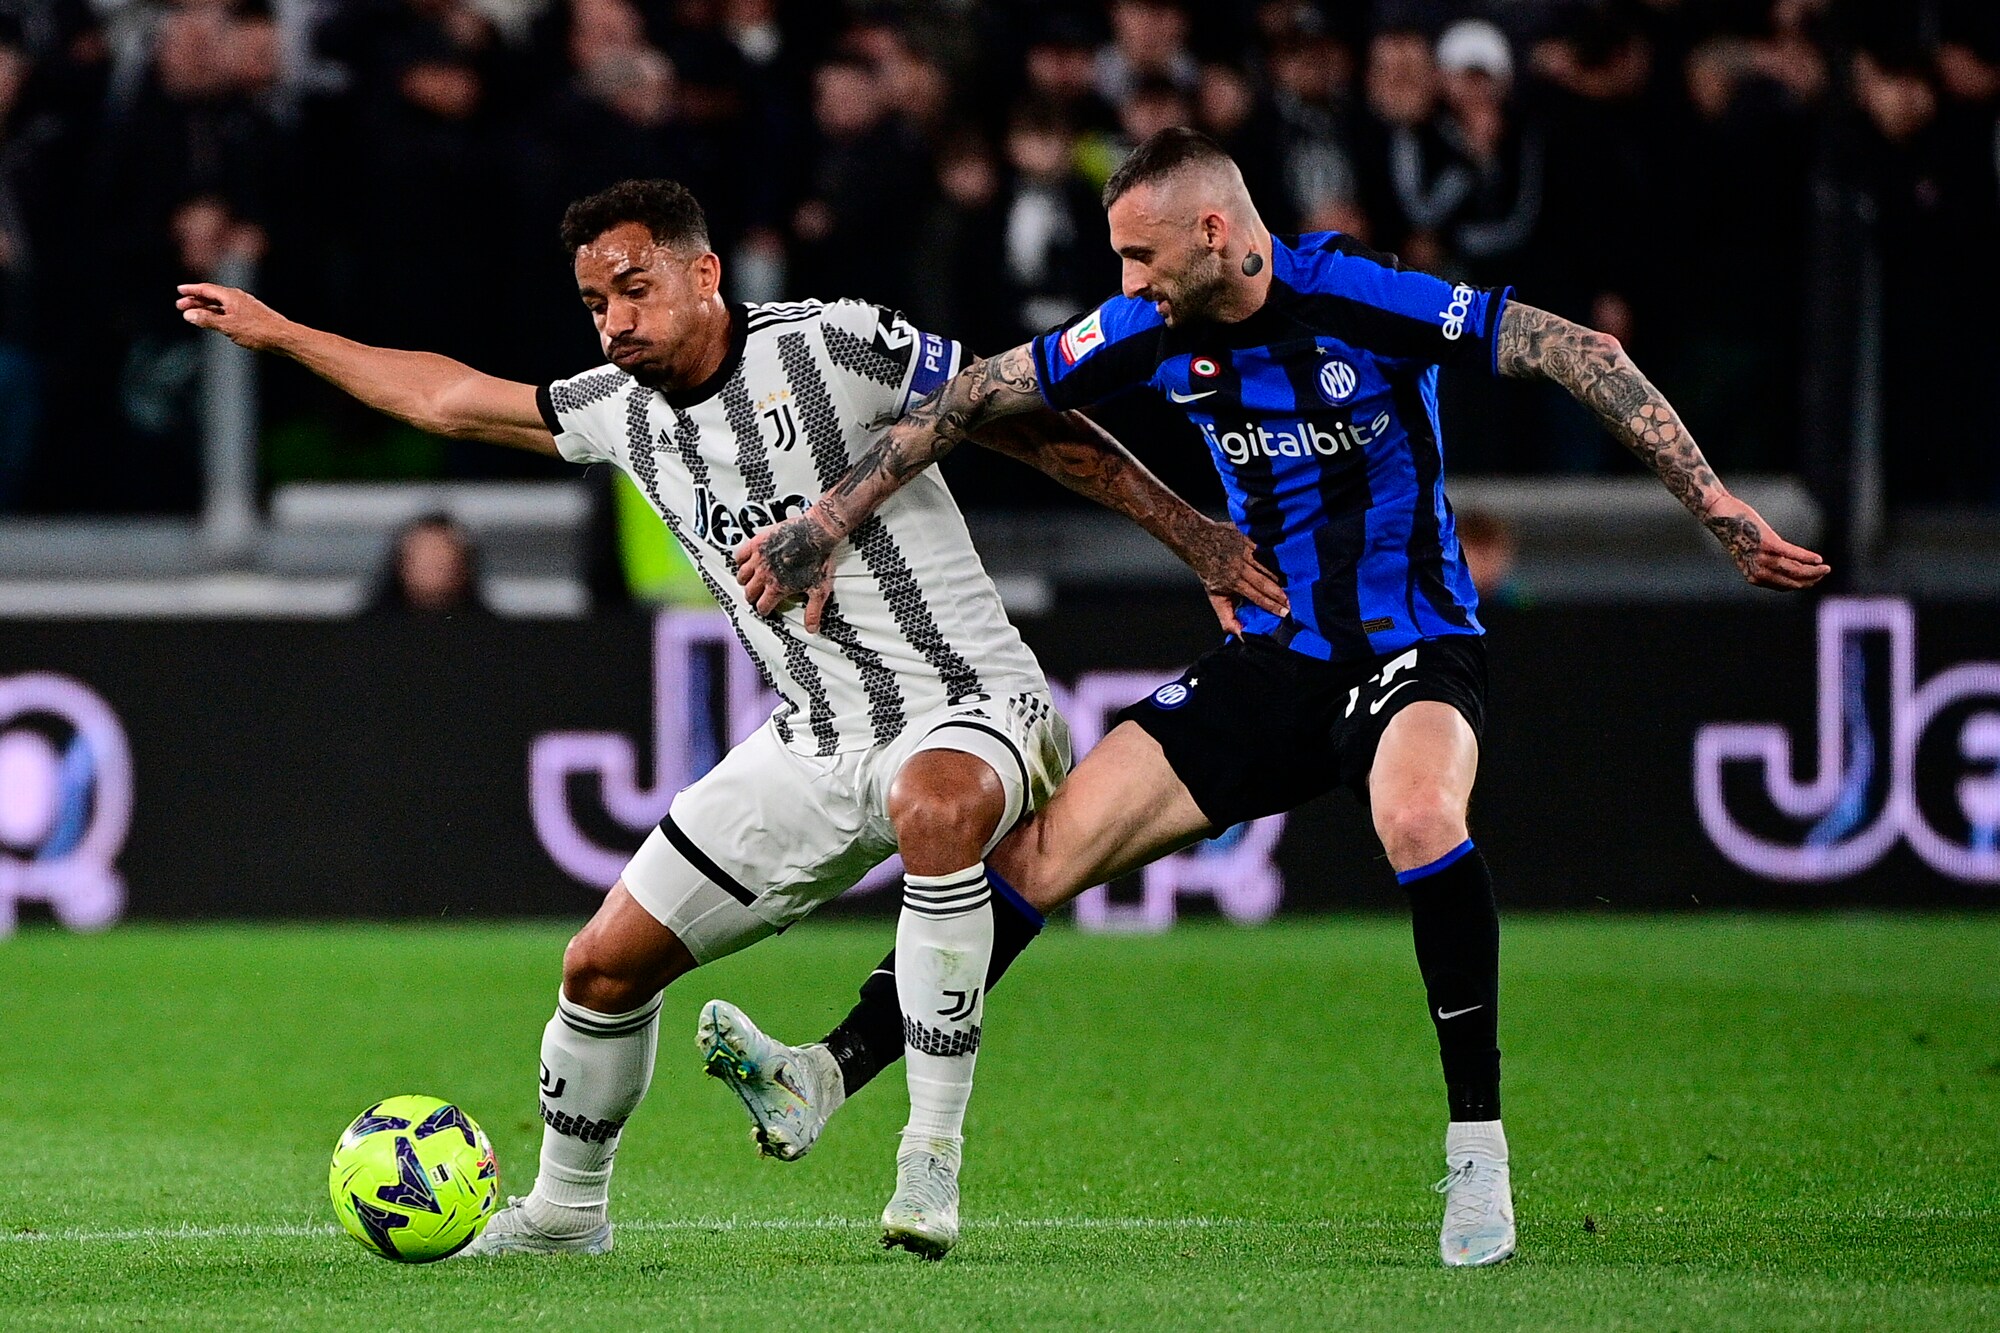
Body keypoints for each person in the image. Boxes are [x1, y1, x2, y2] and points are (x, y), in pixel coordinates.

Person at [726, 128, 1831, 1269]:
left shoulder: (1359, 297)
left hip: (1413, 644)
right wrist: (826, 524)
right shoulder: (1145, 327)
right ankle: (826, 1073)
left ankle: (1477, 1151)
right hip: (1274, 662)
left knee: (1417, 816)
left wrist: (1714, 506)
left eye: (1141, 255)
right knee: (1033, 856)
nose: (1126, 283)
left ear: (1215, 232)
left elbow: (1574, 348)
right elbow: (973, 396)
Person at [173, 176, 1281, 1259]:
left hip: (971, 701)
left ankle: (928, 1160)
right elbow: (445, 397)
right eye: (595, 303)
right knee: (600, 969)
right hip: (815, 740)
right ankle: (565, 1213)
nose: (615, 322)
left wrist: (1194, 537)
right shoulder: (615, 410)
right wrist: (284, 334)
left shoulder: (834, 342)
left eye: (635, 289)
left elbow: (1028, 421)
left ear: (705, 274)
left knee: (934, 805)